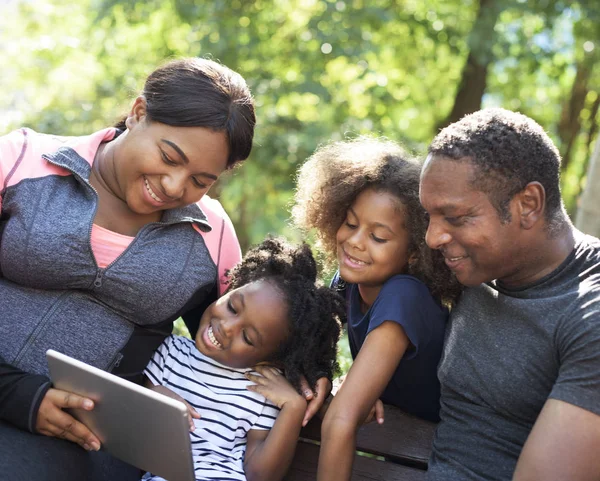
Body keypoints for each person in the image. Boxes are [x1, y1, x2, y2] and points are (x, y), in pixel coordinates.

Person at [0, 57, 256, 480]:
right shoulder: (22, 161)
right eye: (169, 156)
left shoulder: (213, 236)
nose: (176, 187)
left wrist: (304, 375)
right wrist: (17, 394)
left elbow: (246, 339)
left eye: (201, 180)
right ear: (138, 113)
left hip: (92, 444)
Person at [419, 108, 600, 481]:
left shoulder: (588, 314)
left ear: (528, 205)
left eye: (455, 218)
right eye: (430, 217)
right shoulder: (473, 265)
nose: (432, 238)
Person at [292, 136, 461, 481]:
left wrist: (350, 401)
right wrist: (345, 386)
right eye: (351, 224)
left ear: (415, 252)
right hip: (395, 445)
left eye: (378, 237)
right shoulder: (345, 283)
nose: (355, 242)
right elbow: (311, 357)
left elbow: (342, 419)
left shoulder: (404, 295)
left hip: (436, 457)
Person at [141, 237, 344, 481]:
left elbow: (259, 476)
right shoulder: (170, 353)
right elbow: (132, 409)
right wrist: (154, 399)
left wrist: (293, 408)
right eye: (233, 308)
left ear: (272, 359)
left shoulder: (263, 387)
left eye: (247, 337)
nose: (227, 327)